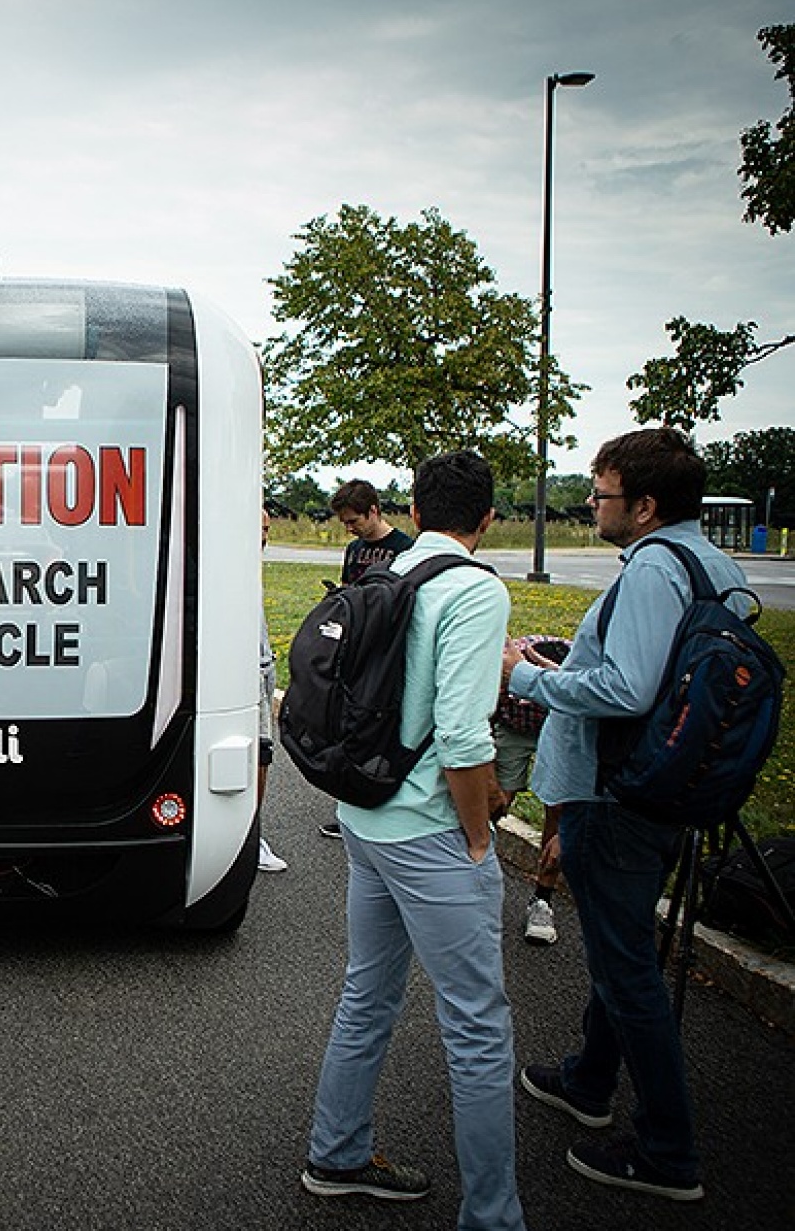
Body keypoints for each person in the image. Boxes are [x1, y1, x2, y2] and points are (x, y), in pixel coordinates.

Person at [503, 428, 745, 1203]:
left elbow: (624, 690)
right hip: (668, 784)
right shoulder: (713, 565)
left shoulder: (650, 570)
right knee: (625, 944)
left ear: (642, 505)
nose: (589, 503)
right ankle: (588, 1077)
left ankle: (668, 1150)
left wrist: (525, 679)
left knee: (626, 968)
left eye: (599, 491)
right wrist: (561, 665)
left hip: (614, 796)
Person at [303, 451, 524, 1231]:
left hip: (365, 815)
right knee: (477, 1028)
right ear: (488, 518)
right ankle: (493, 1216)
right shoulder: (474, 589)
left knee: (366, 992)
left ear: (417, 511)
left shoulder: (387, 574)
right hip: (428, 830)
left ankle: (336, 1151)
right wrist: (477, 837)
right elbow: (462, 736)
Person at [320, 479, 418, 839]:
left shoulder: (404, 549)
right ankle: (349, 804)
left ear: (373, 511)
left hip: (387, 655)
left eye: (354, 521)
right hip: (355, 651)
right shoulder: (354, 550)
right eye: (345, 523)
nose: (350, 529)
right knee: (350, 728)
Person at [487, 634, 570, 946]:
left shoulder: (571, 673)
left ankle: (542, 900)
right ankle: (471, 874)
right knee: (496, 802)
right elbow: (483, 718)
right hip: (514, 727)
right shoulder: (501, 665)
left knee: (558, 809)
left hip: (559, 723)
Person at [256, 509, 286, 873]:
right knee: (258, 753)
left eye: (266, 529)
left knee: (262, 753)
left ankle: (254, 833)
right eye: (257, 529)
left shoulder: (253, 565)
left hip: (263, 665)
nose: (264, 537)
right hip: (242, 670)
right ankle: (250, 836)